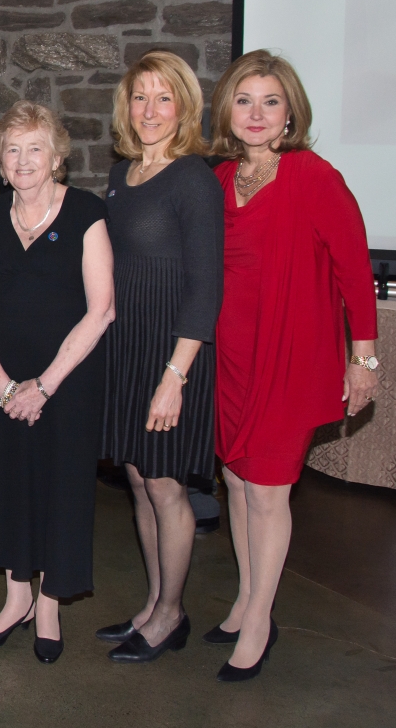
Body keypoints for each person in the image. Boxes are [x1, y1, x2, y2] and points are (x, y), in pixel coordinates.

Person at [208, 50, 378, 682]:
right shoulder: (221, 179)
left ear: (290, 114)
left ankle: (258, 620)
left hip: (290, 355)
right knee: (238, 484)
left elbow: (356, 273)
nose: (256, 113)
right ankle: (248, 598)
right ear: (228, 108)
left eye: (270, 102)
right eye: (244, 100)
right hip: (231, 360)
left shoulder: (314, 176)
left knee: (269, 493)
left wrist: (364, 358)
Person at [0, 101, 115, 664]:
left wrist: (42, 386)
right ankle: (15, 599)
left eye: (34, 149)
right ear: (0, 162)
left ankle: (48, 605)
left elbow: (101, 311)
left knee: (58, 487)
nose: (22, 160)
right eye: (11, 150)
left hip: (66, 383)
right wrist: (3, 386)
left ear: (57, 159)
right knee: (3, 486)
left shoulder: (87, 213)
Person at [95, 50, 224, 662]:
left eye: (163, 98)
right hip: (130, 348)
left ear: (184, 107)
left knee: (168, 485)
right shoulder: (123, 175)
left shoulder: (194, 177)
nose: (150, 111)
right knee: (140, 480)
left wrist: (176, 377)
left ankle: (172, 614)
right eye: (140, 97)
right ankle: (152, 604)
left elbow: (207, 287)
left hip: (175, 355)